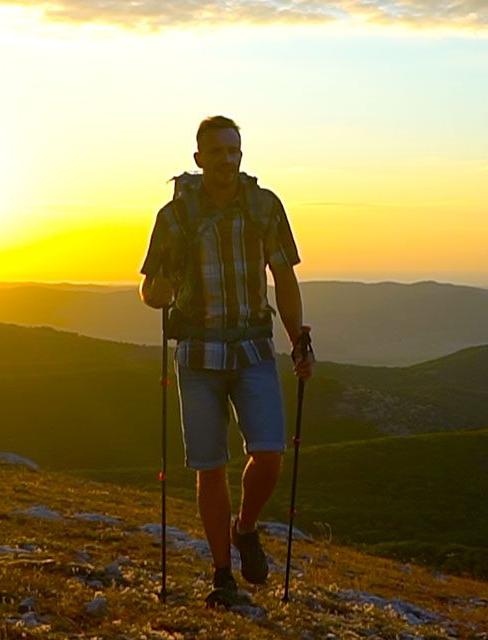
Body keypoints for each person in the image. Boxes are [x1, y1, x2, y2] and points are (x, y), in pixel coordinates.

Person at [139, 115, 314, 607]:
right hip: (197, 353)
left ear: (241, 154)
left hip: (252, 346)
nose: (227, 160)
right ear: (199, 159)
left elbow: (284, 277)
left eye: (233, 151)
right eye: (216, 152)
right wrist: (160, 293)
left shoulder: (264, 206)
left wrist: (298, 339)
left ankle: (246, 528)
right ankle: (222, 575)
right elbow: (148, 287)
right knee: (210, 466)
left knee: (270, 453)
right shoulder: (174, 217)